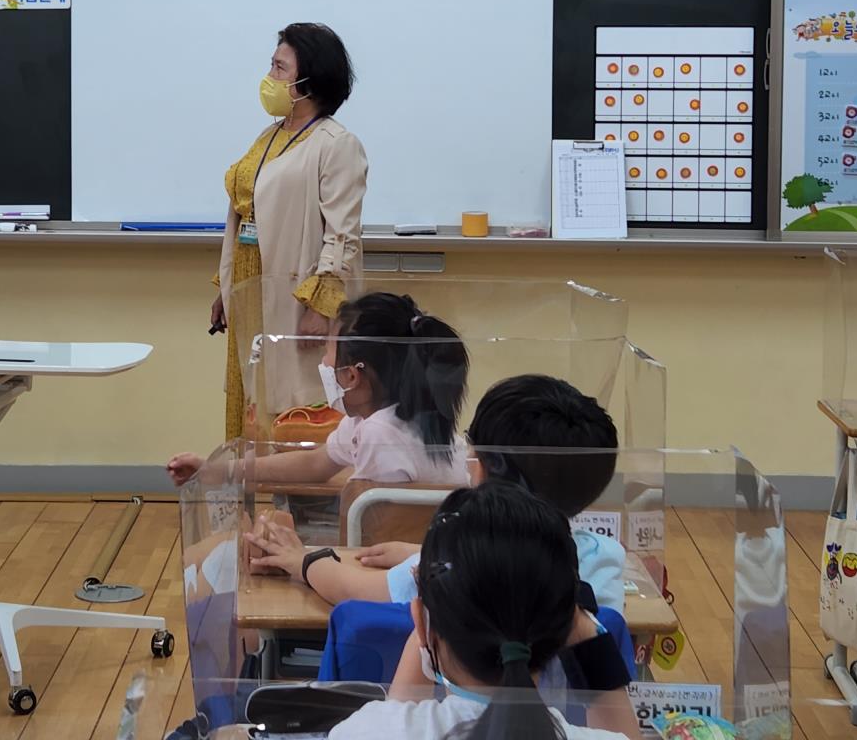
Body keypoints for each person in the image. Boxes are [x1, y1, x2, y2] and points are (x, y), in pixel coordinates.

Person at [244, 374, 625, 615]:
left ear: (489, 470)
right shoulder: (606, 557)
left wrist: (302, 559)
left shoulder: (457, 560)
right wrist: (419, 553)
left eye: (473, 452)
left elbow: (351, 589)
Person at [327, 481, 630, 740]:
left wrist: (426, 626)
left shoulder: (364, 731)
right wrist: (584, 632)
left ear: (421, 623)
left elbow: (393, 718)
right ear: (565, 632)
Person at [211, 23, 366, 439]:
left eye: (280, 68)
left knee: (299, 415)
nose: (271, 77)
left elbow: (342, 234)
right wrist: (226, 288)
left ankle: (302, 503)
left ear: (308, 80)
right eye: (273, 65)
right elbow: (246, 212)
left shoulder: (336, 144)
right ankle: (267, 503)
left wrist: (321, 304)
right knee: (255, 409)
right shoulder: (269, 136)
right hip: (250, 291)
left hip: (297, 302)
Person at [170, 293, 468, 488]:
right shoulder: (387, 418)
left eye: (327, 350)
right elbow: (313, 464)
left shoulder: (379, 433)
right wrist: (215, 471)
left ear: (351, 375)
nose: (323, 362)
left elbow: (375, 536)